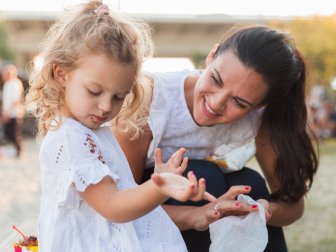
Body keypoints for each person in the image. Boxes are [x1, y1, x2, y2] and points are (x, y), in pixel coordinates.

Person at [25, 1, 218, 251]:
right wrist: (158, 187)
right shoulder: (70, 138)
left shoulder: (91, 131)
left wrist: (157, 180)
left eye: (119, 97)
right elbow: (113, 205)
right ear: (62, 74)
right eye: (95, 91)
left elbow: (118, 195)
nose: (106, 106)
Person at [115, 24, 319, 252]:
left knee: (250, 184)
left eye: (239, 102)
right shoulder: (150, 99)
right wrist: (198, 216)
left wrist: (261, 210)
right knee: (202, 175)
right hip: (143, 210)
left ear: (259, 106)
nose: (216, 103)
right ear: (211, 57)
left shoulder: (260, 119)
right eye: (216, 79)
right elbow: (120, 206)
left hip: (204, 202)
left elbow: (293, 206)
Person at [1, 64, 25, 158]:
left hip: (14, 113)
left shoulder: (16, 83)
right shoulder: (7, 84)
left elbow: (15, 100)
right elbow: (5, 100)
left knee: (14, 133)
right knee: (7, 133)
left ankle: (20, 150)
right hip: (7, 113)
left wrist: (7, 113)